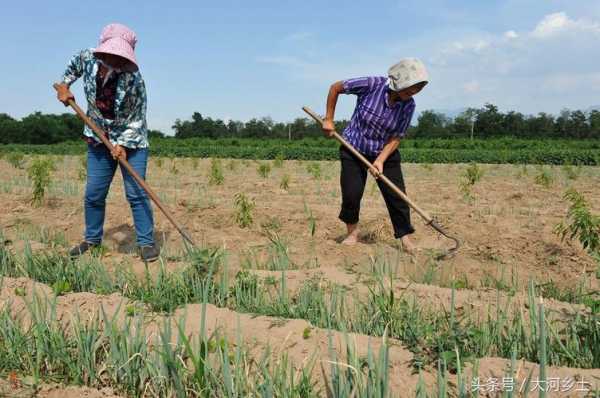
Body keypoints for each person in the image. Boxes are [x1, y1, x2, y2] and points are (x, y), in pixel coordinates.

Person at [55, 23, 159, 262]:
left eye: (119, 56)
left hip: (132, 142)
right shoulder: (86, 59)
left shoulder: (134, 80)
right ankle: (91, 240)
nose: (114, 59)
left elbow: (137, 118)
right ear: (103, 50)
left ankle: (146, 243)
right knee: (94, 193)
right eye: (111, 54)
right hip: (98, 137)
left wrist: (122, 144)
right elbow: (67, 76)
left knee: (136, 193)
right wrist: (63, 88)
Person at [321, 58, 428, 253]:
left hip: (385, 152)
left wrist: (380, 160)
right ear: (398, 81)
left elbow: (397, 136)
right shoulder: (371, 85)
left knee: (396, 194)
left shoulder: (408, 106)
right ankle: (352, 233)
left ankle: (405, 238)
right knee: (352, 193)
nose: (411, 94)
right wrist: (329, 118)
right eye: (409, 88)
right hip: (353, 147)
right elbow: (336, 87)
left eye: (417, 89)